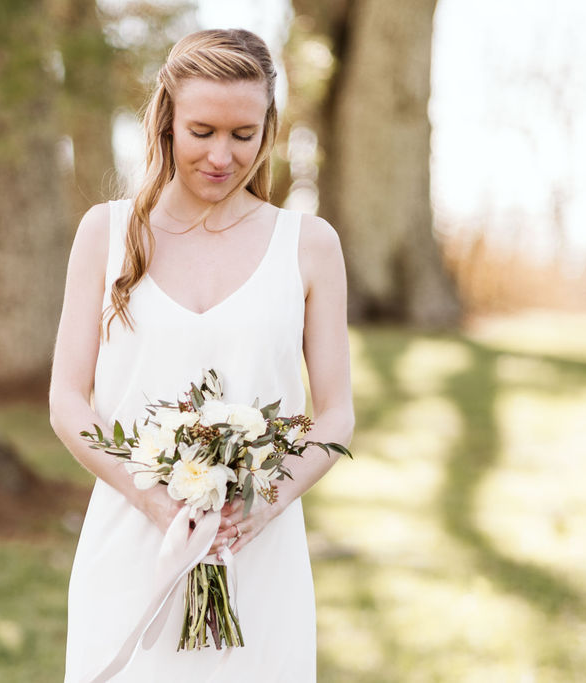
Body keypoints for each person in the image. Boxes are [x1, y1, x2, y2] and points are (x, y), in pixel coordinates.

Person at [48, 28, 354, 682]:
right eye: (202, 131)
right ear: (166, 122)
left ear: (269, 128)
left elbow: (335, 414)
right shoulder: (106, 233)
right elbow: (67, 400)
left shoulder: (309, 245)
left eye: (243, 135)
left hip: (258, 558)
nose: (222, 155)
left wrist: (259, 506)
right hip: (132, 545)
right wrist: (156, 499)